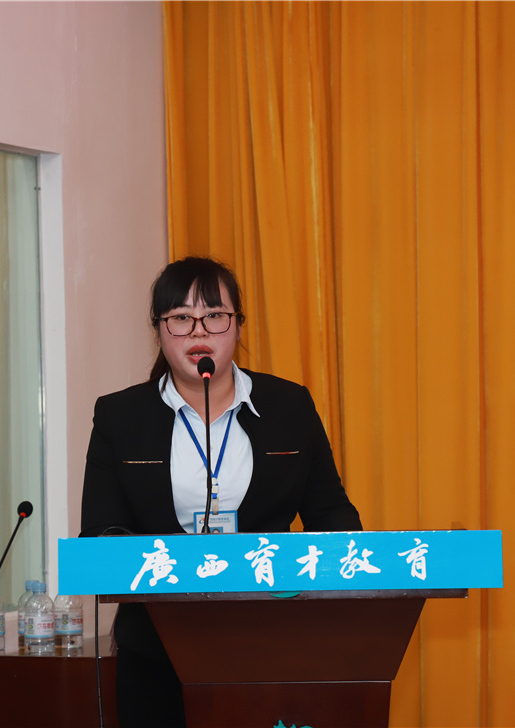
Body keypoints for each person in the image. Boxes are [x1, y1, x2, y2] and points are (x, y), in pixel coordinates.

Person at [81, 256, 361, 727]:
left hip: (274, 643)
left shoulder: (289, 406)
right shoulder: (120, 417)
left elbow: (331, 513)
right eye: (180, 318)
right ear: (158, 331)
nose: (199, 331)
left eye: (214, 315)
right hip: (156, 652)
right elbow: (100, 534)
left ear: (238, 325)